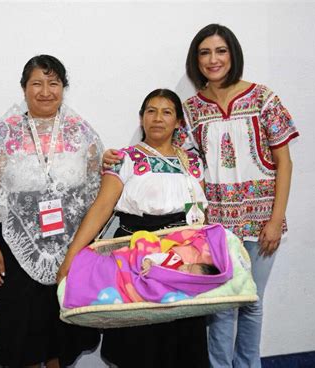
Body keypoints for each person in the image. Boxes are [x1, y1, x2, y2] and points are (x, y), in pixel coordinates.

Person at [57, 88, 209, 367]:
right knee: (140, 341)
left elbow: (201, 213)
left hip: (183, 257)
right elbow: (101, 209)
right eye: (151, 111)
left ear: (178, 123)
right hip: (137, 256)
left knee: (183, 339)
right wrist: (72, 257)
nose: (158, 118)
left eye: (167, 112)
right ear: (141, 118)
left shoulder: (194, 162)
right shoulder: (124, 159)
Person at [182, 23, 299, 368]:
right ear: (196, 59)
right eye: (205, 52)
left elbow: (284, 162)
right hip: (216, 225)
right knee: (220, 304)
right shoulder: (191, 109)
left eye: (221, 51)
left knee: (251, 301)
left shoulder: (264, 98)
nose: (213, 59)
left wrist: (276, 221)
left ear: (232, 54)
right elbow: (179, 161)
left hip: (262, 222)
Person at [0, 55, 103, 367]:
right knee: (23, 334)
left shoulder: (81, 132)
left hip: (69, 248)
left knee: (61, 332)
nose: (45, 91)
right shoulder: (4, 133)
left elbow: (96, 189)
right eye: (37, 83)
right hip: (18, 248)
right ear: (24, 89)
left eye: (53, 83)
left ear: (63, 87)